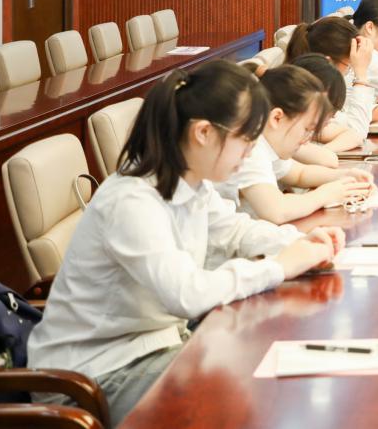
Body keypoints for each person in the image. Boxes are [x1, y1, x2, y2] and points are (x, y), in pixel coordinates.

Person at [28, 61, 343, 425]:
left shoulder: (192, 182)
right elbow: (186, 294)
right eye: (245, 139)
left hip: (154, 344)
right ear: (204, 133)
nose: (250, 152)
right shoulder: (131, 201)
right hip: (97, 372)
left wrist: (299, 242)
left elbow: (235, 231)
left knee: (260, 366)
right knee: (249, 383)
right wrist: (278, 266)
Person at [216, 65, 376, 223]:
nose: (308, 139)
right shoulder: (250, 148)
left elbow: (299, 174)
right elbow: (277, 210)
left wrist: (345, 177)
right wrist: (325, 195)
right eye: (307, 129)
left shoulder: (266, 142)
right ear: (277, 118)